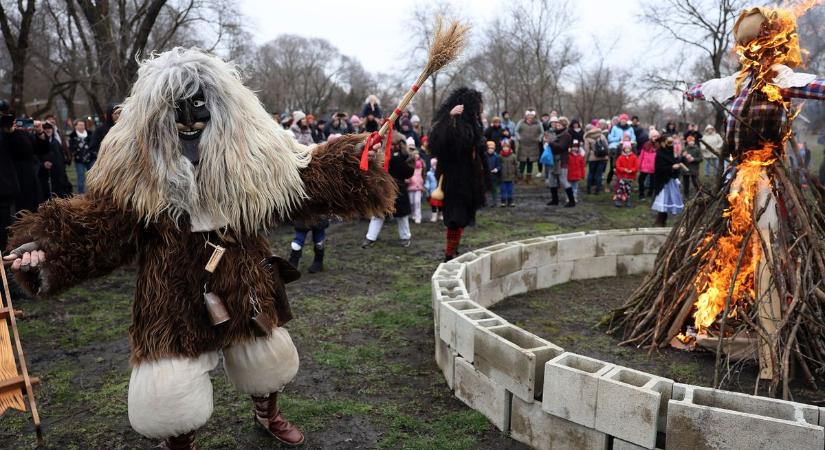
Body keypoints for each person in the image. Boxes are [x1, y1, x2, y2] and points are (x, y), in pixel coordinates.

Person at [3, 48, 397, 449]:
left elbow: (302, 183)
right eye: (177, 110)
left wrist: (352, 163)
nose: (189, 119)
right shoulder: (136, 170)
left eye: (199, 107)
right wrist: (49, 246)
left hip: (242, 275)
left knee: (264, 358)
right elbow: (102, 222)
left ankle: (268, 413)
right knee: (168, 388)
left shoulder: (252, 159)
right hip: (172, 286)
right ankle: (180, 443)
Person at [428, 87, 488, 261]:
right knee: (455, 217)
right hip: (453, 177)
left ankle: (453, 250)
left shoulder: (473, 122)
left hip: (469, 176)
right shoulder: (449, 121)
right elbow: (437, 143)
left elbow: (476, 143)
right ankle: (449, 253)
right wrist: (450, 118)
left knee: (463, 215)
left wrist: (482, 145)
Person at [362, 131, 415, 248]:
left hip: (399, 189)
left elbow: (409, 173)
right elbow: (376, 170)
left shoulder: (406, 156)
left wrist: (397, 160)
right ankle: (370, 237)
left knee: (402, 216)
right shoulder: (380, 155)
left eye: (397, 144)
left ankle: (405, 237)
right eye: (392, 144)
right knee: (378, 214)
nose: (394, 146)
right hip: (384, 188)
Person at [652, 136, 685, 226]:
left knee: (669, 201)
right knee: (663, 201)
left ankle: (663, 221)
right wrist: (671, 167)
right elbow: (659, 168)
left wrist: (679, 160)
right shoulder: (660, 154)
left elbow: (674, 161)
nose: (668, 144)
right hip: (663, 181)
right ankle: (659, 222)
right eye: (665, 142)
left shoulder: (670, 152)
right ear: (662, 143)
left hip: (671, 180)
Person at [35, 121, 73, 200]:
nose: (48, 130)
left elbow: (61, 157)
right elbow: (36, 158)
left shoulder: (56, 142)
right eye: (45, 128)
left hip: (59, 175)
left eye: (49, 128)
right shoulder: (38, 142)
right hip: (46, 175)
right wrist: (43, 164)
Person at [546, 116, 575, 207]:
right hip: (553, 160)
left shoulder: (566, 135)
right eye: (557, 125)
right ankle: (555, 200)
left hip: (562, 160)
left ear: (564, 126)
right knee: (552, 180)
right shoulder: (554, 134)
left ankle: (572, 201)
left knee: (563, 180)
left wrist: (550, 143)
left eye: (559, 125)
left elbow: (562, 147)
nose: (557, 126)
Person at [606, 114, 636, 190]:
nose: (623, 121)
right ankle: (608, 184)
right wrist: (619, 139)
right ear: (620, 120)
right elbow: (610, 138)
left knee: (626, 168)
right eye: (622, 119)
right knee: (613, 167)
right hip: (616, 148)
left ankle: (625, 185)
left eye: (625, 120)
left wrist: (628, 140)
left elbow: (633, 138)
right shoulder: (615, 127)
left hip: (627, 148)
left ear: (626, 121)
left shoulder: (630, 128)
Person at [514, 111, 543, 182]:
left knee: (530, 161)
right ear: (526, 116)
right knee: (522, 161)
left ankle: (529, 178)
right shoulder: (521, 122)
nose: (530, 117)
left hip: (533, 145)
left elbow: (542, 132)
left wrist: (539, 139)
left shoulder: (538, 123)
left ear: (534, 116)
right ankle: (520, 177)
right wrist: (519, 138)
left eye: (531, 115)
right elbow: (516, 131)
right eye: (529, 115)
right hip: (523, 145)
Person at [69, 119, 94, 194]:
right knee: (81, 177)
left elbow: (94, 144)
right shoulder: (72, 136)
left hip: (91, 158)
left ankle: (94, 192)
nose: (82, 126)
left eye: (83, 125)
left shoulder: (90, 134)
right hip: (79, 160)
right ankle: (81, 194)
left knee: (93, 176)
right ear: (75, 126)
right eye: (79, 125)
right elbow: (71, 148)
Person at [585, 124, 609, 194]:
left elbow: (587, 150)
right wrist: (607, 155)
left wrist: (586, 159)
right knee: (599, 174)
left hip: (592, 158)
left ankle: (588, 189)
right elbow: (606, 146)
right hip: (602, 157)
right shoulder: (601, 135)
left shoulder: (588, 137)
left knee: (591, 173)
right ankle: (597, 190)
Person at [614, 140, 639, 207]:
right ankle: (619, 199)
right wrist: (623, 169)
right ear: (623, 149)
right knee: (621, 187)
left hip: (630, 176)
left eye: (629, 148)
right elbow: (618, 166)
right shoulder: (620, 157)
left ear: (631, 149)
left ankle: (628, 199)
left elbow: (636, 166)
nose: (627, 150)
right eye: (626, 148)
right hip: (622, 176)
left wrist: (632, 170)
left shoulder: (634, 157)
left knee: (628, 188)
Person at [638, 129, 659, 200]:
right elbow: (641, 155)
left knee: (653, 181)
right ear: (650, 137)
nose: (655, 138)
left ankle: (650, 193)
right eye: (654, 136)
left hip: (654, 167)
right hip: (645, 166)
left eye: (656, 136)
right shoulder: (646, 144)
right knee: (641, 180)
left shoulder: (658, 146)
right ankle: (641, 194)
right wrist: (639, 165)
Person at [407, 148, 426, 224]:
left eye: (417, 154)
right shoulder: (409, 164)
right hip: (411, 185)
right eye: (414, 154)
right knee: (411, 202)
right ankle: (413, 214)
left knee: (417, 202)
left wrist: (422, 181)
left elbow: (423, 173)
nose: (416, 155)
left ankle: (418, 217)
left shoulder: (421, 163)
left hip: (418, 185)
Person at [499, 141, 517, 207]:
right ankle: (503, 202)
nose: (505, 148)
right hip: (502, 176)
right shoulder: (500, 156)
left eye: (507, 147)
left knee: (510, 190)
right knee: (503, 190)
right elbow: (498, 165)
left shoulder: (513, 156)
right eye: (504, 147)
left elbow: (516, 165)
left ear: (509, 147)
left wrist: (517, 173)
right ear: (502, 148)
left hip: (511, 176)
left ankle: (510, 201)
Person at [424, 157, 442, 223]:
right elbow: (427, 181)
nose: (435, 166)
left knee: (440, 204)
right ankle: (434, 216)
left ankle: (440, 215)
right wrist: (427, 187)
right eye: (434, 164)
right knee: (433, 204)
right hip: (432, 191)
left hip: (440, 191)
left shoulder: (441, 173)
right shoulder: (429, 174)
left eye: (436, 164)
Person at [485, 141, 501, 206]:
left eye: (492, 148)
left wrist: (496, 169)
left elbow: (499, 166)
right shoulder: (484, 156)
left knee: (494, 189)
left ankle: (494, 202)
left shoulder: (496, 156)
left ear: (494, 149)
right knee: (484, 189)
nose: (490, 150)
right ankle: (485, 201)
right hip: (486, 175)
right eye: (489, 148)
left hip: (493, 175)